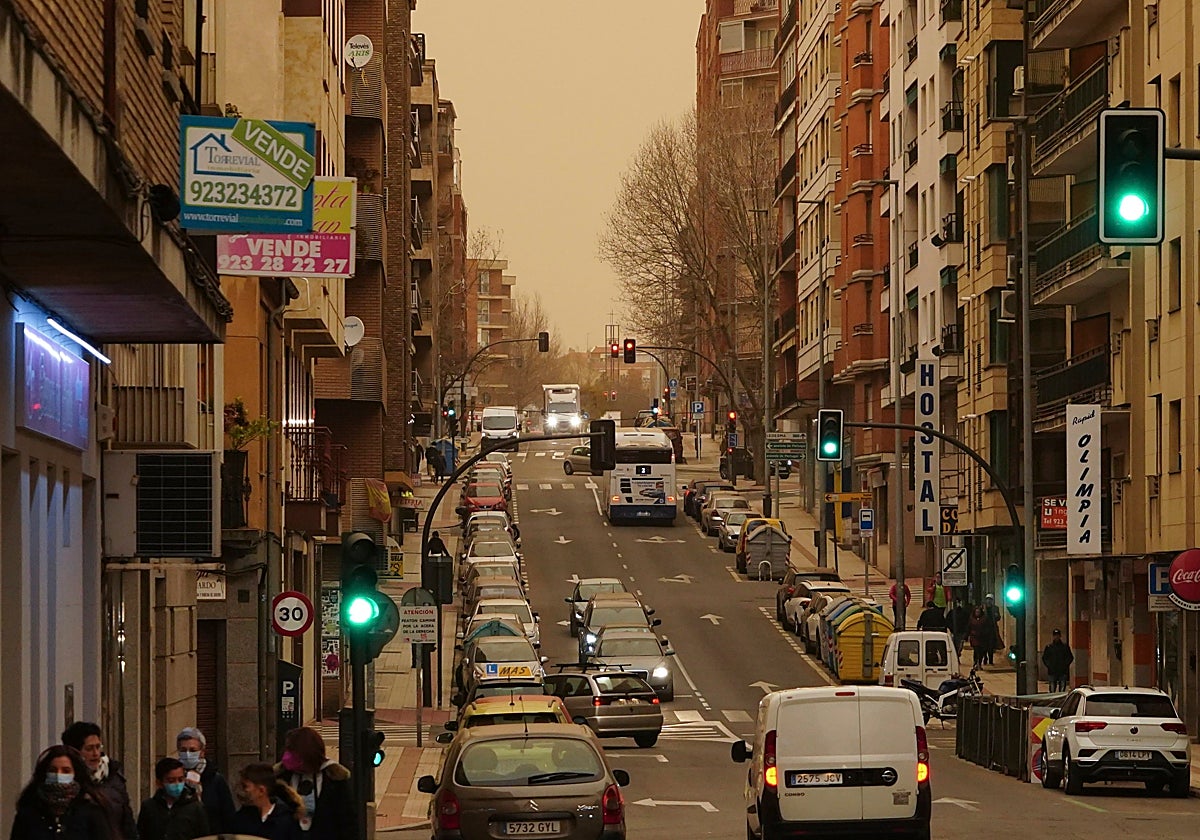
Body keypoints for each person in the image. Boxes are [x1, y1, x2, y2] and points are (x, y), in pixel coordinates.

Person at [9, 745, 112, 840]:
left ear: (75, 774)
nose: (58, 775)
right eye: (53, 770)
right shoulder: (29, 813)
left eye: (66, 771)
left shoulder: (91, 811)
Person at [276, 727, 355, 840]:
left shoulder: (334, 780)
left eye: (293, 751)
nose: (288, 756)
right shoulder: (281, 777)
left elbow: (347, 822)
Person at [62, 721, 138, 840]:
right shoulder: (67, 783)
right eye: (89, 749)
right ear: (75, 752)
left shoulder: (114, 777)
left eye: (98, 747)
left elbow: (127, 823)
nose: (96, 754)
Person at [175, 727, 235, 834]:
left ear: (202, 752)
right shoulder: (173, 778)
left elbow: (228, 816)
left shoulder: (216, 780)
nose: (187, 754)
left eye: (192, 750)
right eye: (183, 750)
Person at [136, 757, 209, 840]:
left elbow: (204, 836)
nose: (177, 784)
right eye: (171, 781)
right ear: (159, 783)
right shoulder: (149, 807)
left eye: (180, 780)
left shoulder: (196, 808)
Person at [230, 763, 303, 840]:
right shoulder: (241, 819)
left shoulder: (287, 820)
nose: (242, 791)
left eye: (245, 786)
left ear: (261, 790)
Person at [1042, 628, 1074, 692]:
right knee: (1052, 687)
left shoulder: (1064, 647)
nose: (1056, 637)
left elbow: (1070, 657)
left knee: (1062, 688)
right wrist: (1049, 665)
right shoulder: (1049, 647)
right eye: (1055, 635)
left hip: (1062, 671)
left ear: (1060, 636)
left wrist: (1065, 665)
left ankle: (1061, 700)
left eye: (1057, 635)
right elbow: (1045, 658)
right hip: (1052, 671)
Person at [982, 594, 1002, 665]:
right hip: (984, 630)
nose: (988, 601)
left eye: (990, 600)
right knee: (984, 646)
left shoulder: (995, 608)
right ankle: (985, 657)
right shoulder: (983, 608)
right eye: (987, 599)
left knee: (991, 646)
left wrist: (996, 616)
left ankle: (990, 660)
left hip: (992, 629)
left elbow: (998, 617)